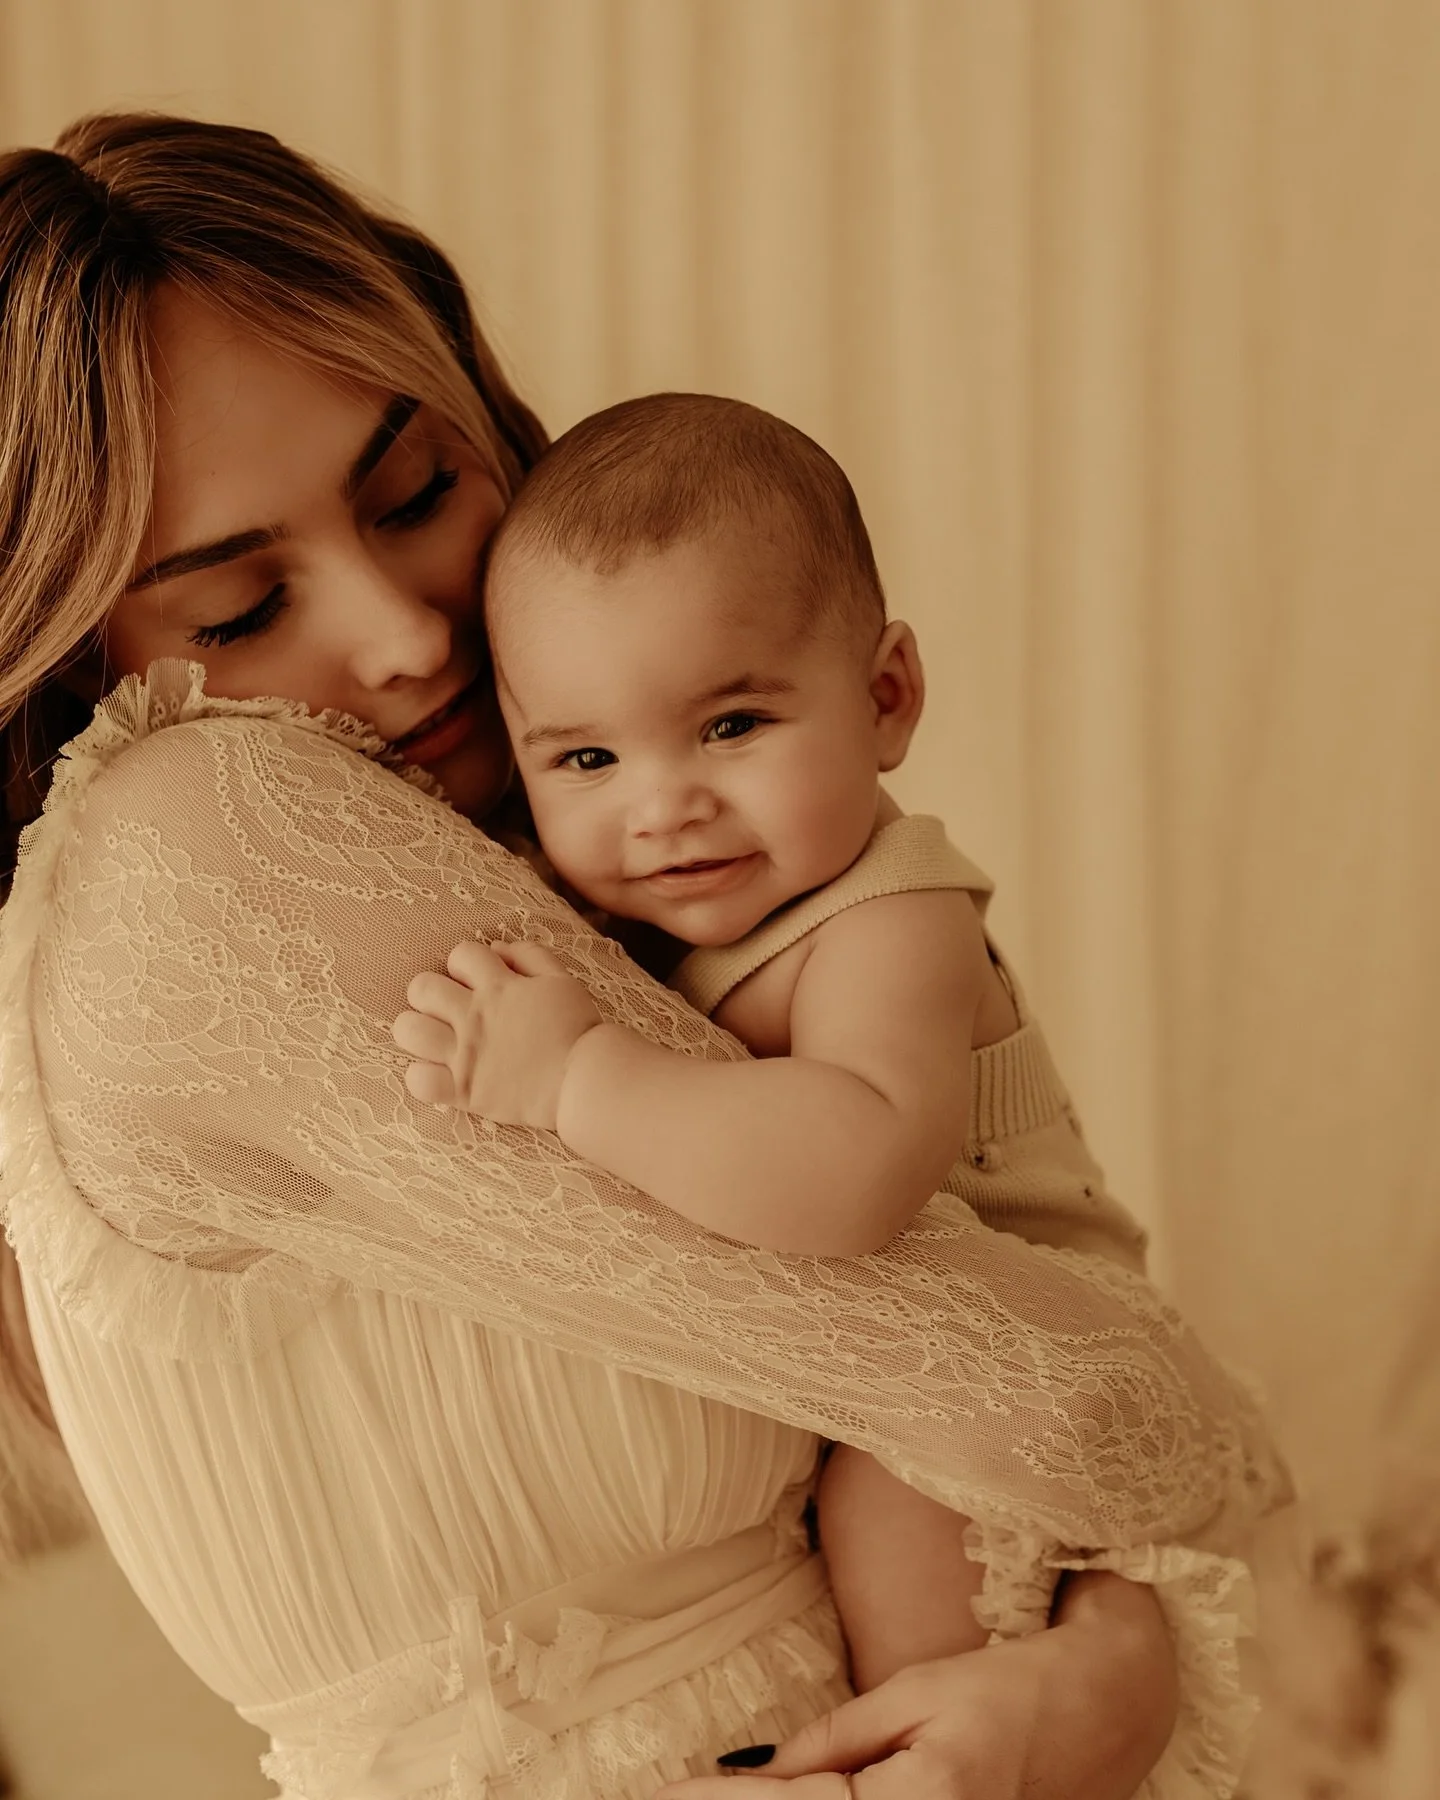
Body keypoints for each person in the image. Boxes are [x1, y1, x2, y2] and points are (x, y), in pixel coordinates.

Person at [0, 112, 1288, 1800]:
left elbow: (978, 1369)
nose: (407, 637)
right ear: (69, 657)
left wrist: (1098, 1658)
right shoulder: (204, 839)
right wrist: (1126, 1634)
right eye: (238, 610)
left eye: (416, 494)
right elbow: (1062, 1395)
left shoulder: (627, 869)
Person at [394, 391, 1153, 1696]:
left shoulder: (891, 920)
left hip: (1022, 1361)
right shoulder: (650, 912)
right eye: (586, 759)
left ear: (886, 698)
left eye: (731, 727)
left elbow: (852, 1172)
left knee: (892, 1509)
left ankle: (930, 1746)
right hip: (889, 1356)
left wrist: (574, 1074)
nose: (662, 807)